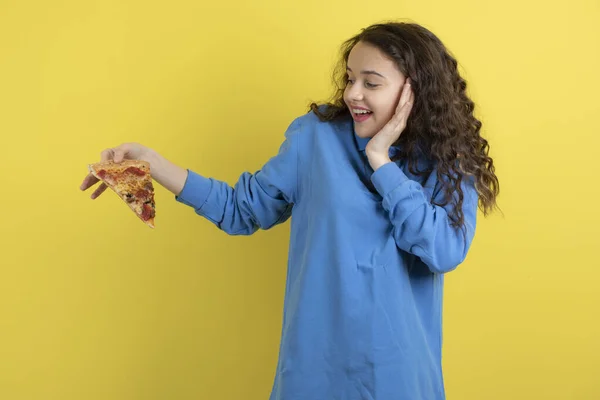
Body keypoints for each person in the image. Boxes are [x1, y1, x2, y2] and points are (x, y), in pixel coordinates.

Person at [80, 21, 499, 400]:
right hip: (314, 376)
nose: (353, 93)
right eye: (351, 79)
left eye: (371, 83)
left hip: (401, 379)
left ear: (413, 92)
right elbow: (241, 210)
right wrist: (152, 164)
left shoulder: (447, 161)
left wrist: (381, 162)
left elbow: (443, 251)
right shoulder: (314, 139)